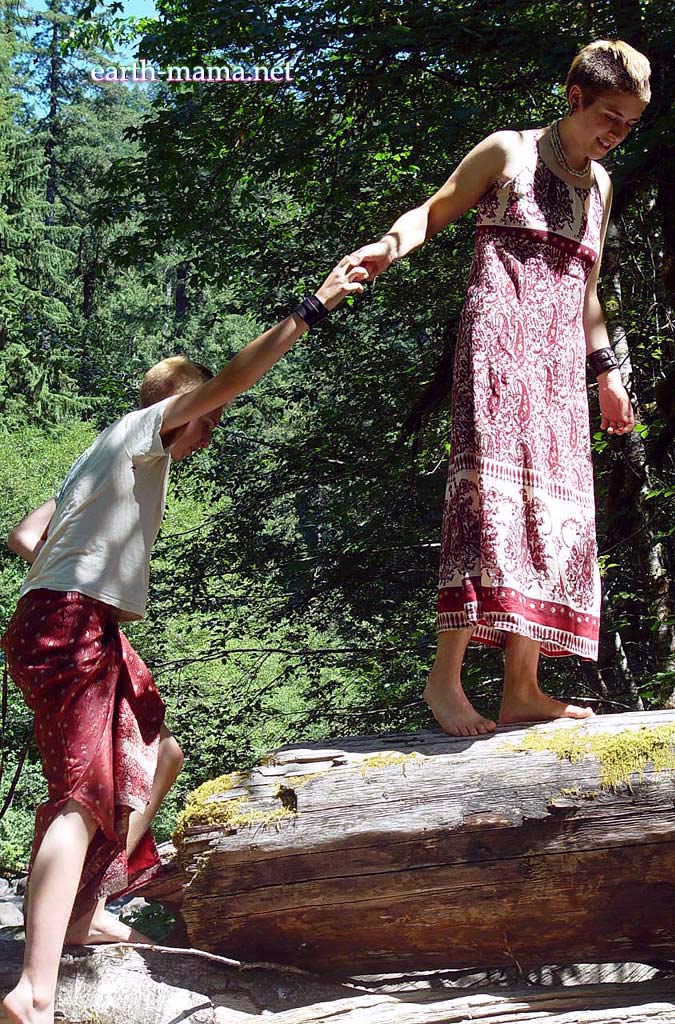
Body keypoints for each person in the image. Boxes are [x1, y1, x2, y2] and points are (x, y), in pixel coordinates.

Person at [0, 255, 367, 1024]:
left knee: (159, 748)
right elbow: (235, 376)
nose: (211, 431)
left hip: (70, 618)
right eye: (210, 418)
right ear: (181, 408)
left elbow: (24, 533)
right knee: (81, 798)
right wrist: (314, 306)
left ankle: (84, 907)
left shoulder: (101, 457)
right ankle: (33, 991)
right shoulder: (146, 428)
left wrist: (71, 573)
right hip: (70, 621)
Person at [350, 40, 651, 737]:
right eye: (609, 116)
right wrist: (387, 248)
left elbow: (587, 289)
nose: (616, 133)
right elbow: (432, 212)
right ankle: (445, 678)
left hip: (558, 368)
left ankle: (522, 688)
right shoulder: (508, 152)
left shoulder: (601, 187)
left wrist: (607, 372)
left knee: (551, 512)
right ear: (574, 98)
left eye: (629, 124)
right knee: (488, 500)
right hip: (496, 348)